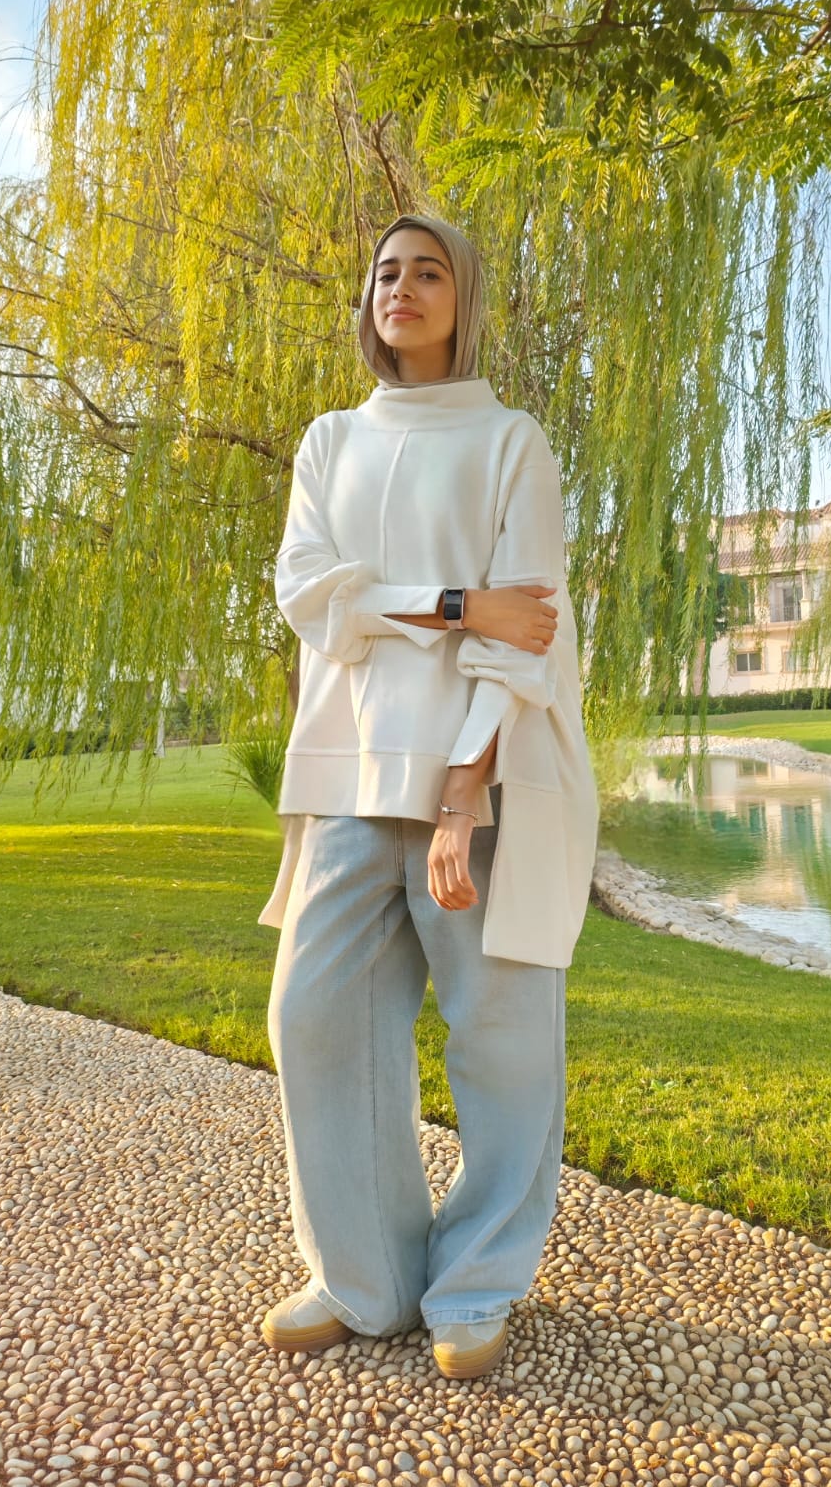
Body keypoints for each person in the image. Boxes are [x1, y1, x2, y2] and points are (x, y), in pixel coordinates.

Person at [255, 212, 599, 1380]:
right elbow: (311, 595)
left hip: (479, 779)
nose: (400, 287)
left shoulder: (511, 442)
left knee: (502, 1042)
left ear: (464, 297)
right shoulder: (328, 442)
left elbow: (527, 631)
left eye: (428, 271)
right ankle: (367, 1278)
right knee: (315, 1017)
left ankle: (478, 1282)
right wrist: (456, 601)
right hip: (349, 775)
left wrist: (462, 790)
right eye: (386, 272)